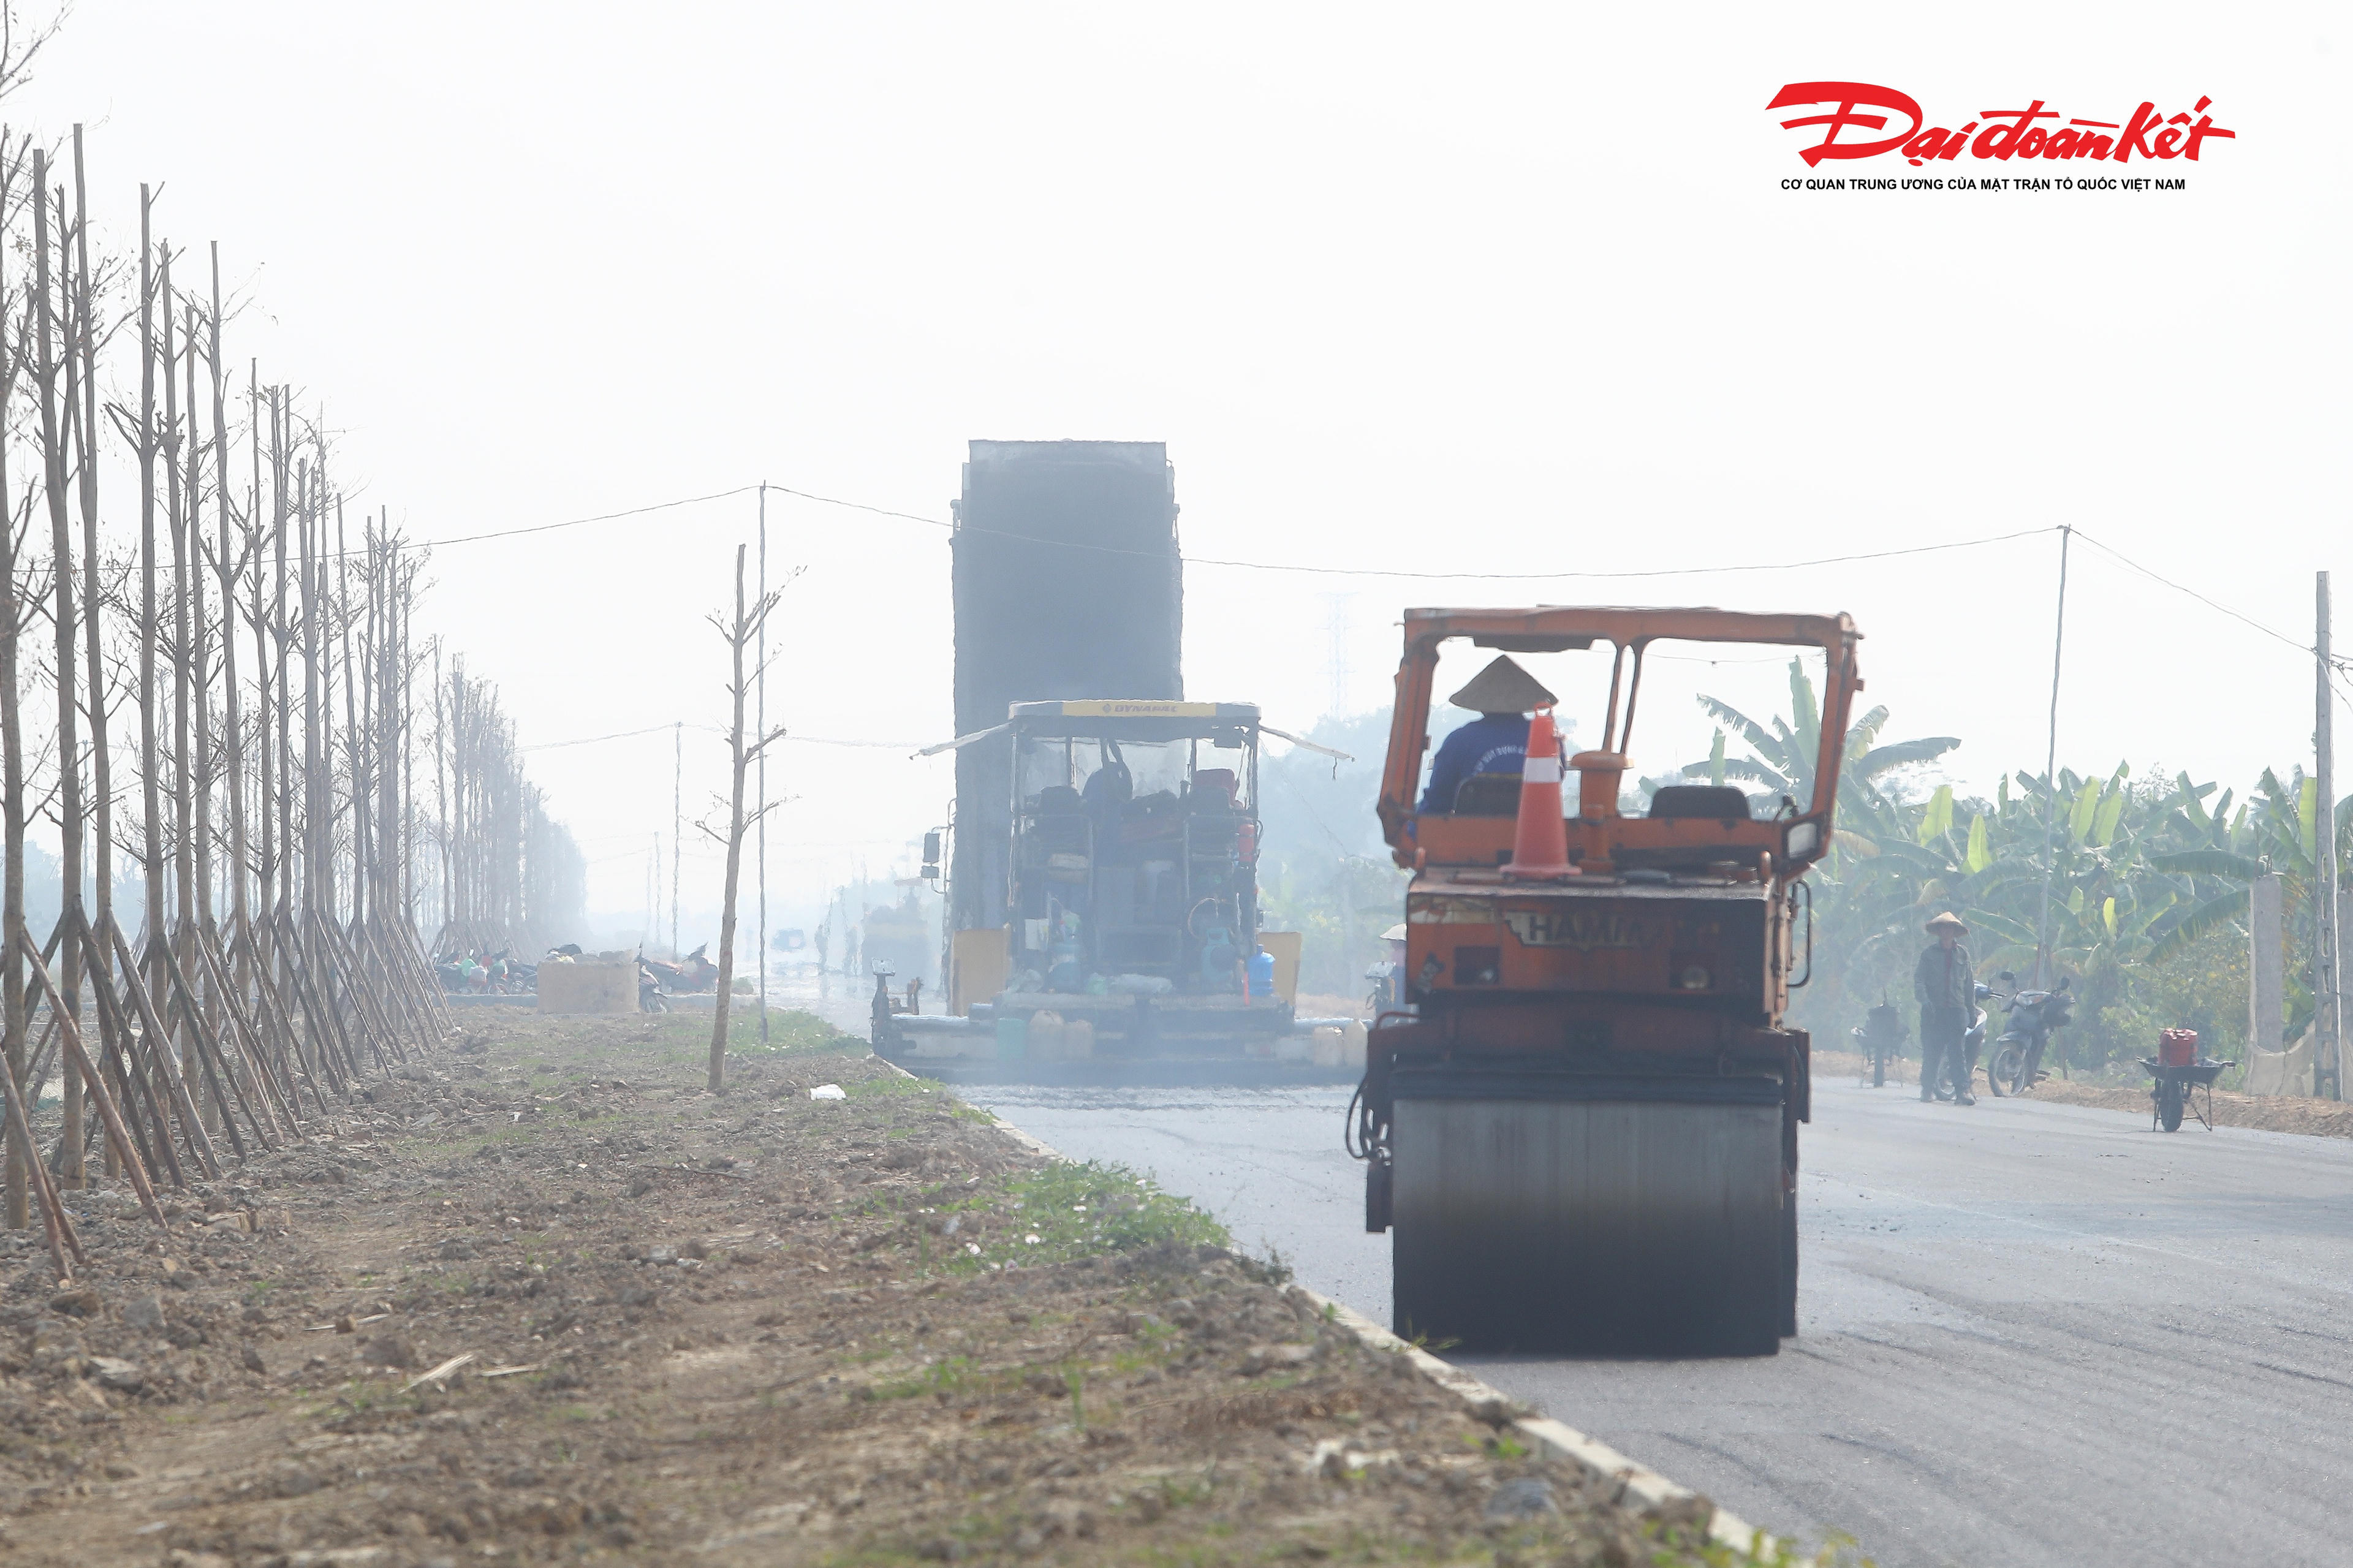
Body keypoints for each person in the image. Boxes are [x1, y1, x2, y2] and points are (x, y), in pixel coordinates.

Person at [1418, 654, 1559, 814]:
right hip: (1539, 834)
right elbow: (1554, 787)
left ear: (1480, 703)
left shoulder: (1459, 741)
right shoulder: (1549, 740)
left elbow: (1437, 801)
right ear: (1524, 701)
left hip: (1468, 837)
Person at [1914, 911, 1977, 1105]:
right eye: (1943, 927)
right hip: (1934, 1011)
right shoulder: (1928, 954)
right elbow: (1919, 981)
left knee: (1957, 1053)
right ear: (1939, 931)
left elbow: (1969, 985)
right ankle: (1927, 1090)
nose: (1946, 931)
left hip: (1956, 1011)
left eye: (1950, 928)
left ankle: (1962, 1092)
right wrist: (1925, 1001)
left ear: (1955, 932)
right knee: (1932, 1052)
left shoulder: (1963, 955)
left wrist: (1971, 1010)